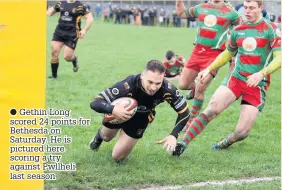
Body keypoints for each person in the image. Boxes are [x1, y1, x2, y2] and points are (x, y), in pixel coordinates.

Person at [172, 0, 281, 156]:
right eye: (245, 7)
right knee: (212, 109)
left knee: (242, 132)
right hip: (236, 79)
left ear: (260, 8)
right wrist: (209, 68)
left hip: (257, 85)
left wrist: (261, 73)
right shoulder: (239, 30)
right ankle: (183, 142)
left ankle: (225, 143)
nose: (247, 11)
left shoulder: (271, 30)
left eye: (251, 8)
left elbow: (279, 57)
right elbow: (227, 53)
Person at [89, 60, 190, 162]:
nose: (153, 87)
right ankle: (99, 137)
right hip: (118, 111)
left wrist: (173, 135)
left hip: (142, 117)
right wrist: (113, 109)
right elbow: (95, 102)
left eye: (158, 83)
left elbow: (185, 113)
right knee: (106, 137)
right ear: (142, 76)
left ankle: (125, 135)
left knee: (117, 157)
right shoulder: (127, 85)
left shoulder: (167, 89)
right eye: (150, 82)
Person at [175, 0, 241, 131]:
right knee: (183, 85)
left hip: (214, 55)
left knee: (201, 88)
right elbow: (181, 14)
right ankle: (194, 88)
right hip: (197, 51)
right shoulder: (201, 8)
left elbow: (242, 30)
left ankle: (191, 121)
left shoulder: (231, 13)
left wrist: (233, 56)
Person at [46, 0, 93, 79]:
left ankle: (74, 60)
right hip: (59, 31)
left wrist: (84, 30)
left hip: (72, 33)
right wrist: (46, 9)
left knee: (67, 57)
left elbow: (90, 18)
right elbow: (50, 13)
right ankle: (54, 76)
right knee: (54, 52)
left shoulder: (80, 6)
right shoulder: (61, 3)